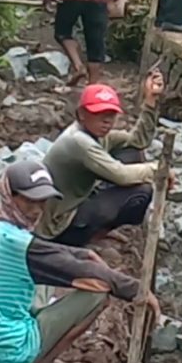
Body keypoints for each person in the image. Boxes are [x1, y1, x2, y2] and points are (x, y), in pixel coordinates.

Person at [0, 160, 159, 363]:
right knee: (98, 293)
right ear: (9, 195)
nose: (37, 210)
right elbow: (90, 275)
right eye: (29, 201)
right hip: (8, 352)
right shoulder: (18, 244)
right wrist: (137, 290)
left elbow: (48, 253)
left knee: (46, 274)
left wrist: (82, 254)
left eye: (42, 202)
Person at [36, 72, 167, 246]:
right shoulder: (79, 140)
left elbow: (137, 141)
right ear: (82, 114)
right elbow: (122, 175)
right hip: (58, 225)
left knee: (130, 153)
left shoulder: (96, 134)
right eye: (99, 114)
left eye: (111, 115)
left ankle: (100, 229)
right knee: (142, 191)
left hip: (77, 199)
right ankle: (91, 235)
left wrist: (150, 101)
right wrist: (158, 170)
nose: (107, 121)